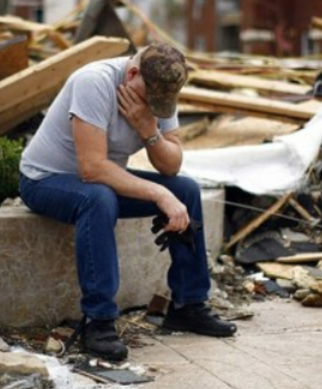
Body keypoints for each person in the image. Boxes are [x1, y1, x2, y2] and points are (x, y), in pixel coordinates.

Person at [19, 42, 236, 361]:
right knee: (100, 197)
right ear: (132, 74)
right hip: (45, 181)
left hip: (99, 181)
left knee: (186, 189)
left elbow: (171, 164)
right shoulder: (93, 82)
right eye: (151, 100)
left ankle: (188, 305)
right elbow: (91, 168)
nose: (157, 106)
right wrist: (159, 193)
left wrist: (149, 131)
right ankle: (99, 320)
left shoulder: (161, 87)